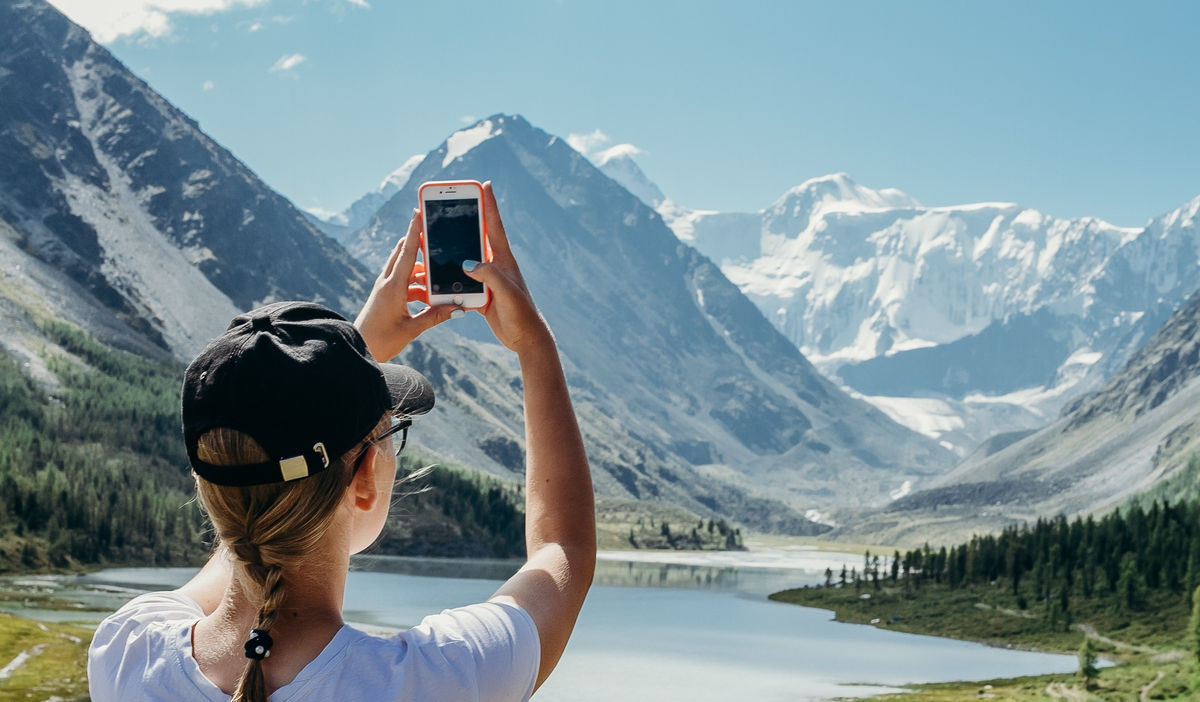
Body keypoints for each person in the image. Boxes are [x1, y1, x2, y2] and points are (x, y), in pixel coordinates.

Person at [87, 182, 596, 701]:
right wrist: (534, 344)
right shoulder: (437, 680)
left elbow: (252, 508)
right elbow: (563, 551)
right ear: (366, 480)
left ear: (207, 485)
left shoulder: (127, 651)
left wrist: (351, 361)